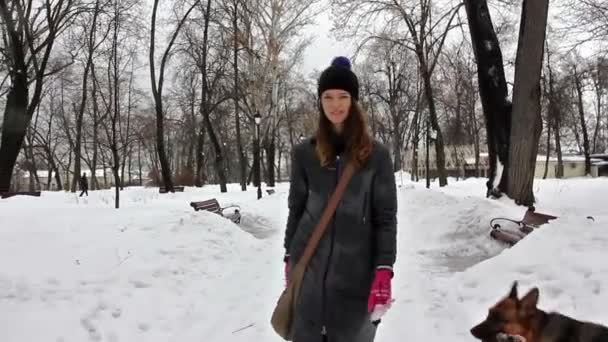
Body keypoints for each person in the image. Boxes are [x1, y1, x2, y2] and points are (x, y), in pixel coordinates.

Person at [283, 56, 398, 342]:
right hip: (308, 272)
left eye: (343, 96)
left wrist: (384, 267)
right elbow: (296, 210)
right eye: (328, 97)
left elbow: (385, 218)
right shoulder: (304, 154)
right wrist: (289, 255)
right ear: (320, 102)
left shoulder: (377, 156)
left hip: (357, 276)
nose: (336, 104)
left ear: (354, 101)